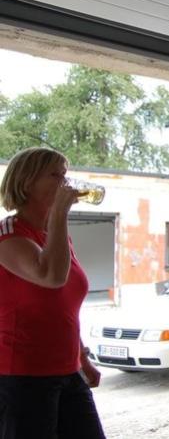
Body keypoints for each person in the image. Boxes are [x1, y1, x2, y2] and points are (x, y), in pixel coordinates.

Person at [0, 147, 105, 439]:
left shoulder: (56, 236)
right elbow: (51, 276)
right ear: (26, 182)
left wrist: (82, 358)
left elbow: (63, 308)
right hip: (21, 377)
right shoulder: (8, 234)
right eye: (55, 175)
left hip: (67, 371)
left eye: (65, 175)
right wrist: (60, 211)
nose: (65, 183)